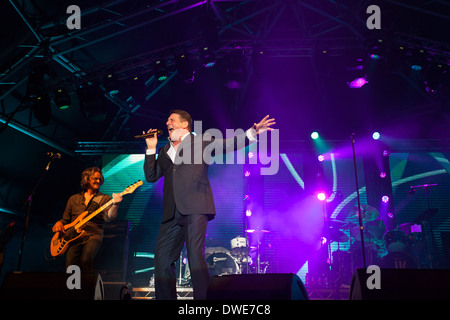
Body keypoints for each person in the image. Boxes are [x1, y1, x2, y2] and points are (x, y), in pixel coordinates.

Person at [143, 109, 275, 300]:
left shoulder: (200, 141)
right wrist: (151, 148)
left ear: (184, 124)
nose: (167, 123)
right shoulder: (165, 150)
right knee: (162, 259)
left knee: (195, 256)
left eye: (171, 120)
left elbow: (228, 145)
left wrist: (252, 132)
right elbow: (151, 176)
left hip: (196, 206)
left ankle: (203, 303)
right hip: (171, 212)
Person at [52, 167, 123, 273]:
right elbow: (65, 220)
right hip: (72, 236)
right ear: (86, 179)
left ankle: (86, 288)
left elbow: (109, 217)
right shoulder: (74, 199)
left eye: (100, 179)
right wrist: (59, 223)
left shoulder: (104, 198)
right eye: (95, 178)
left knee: (85, 260)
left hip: (93, 235)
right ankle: (73, 289)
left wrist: (115, 204)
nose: (98, 181)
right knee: (70, 264)